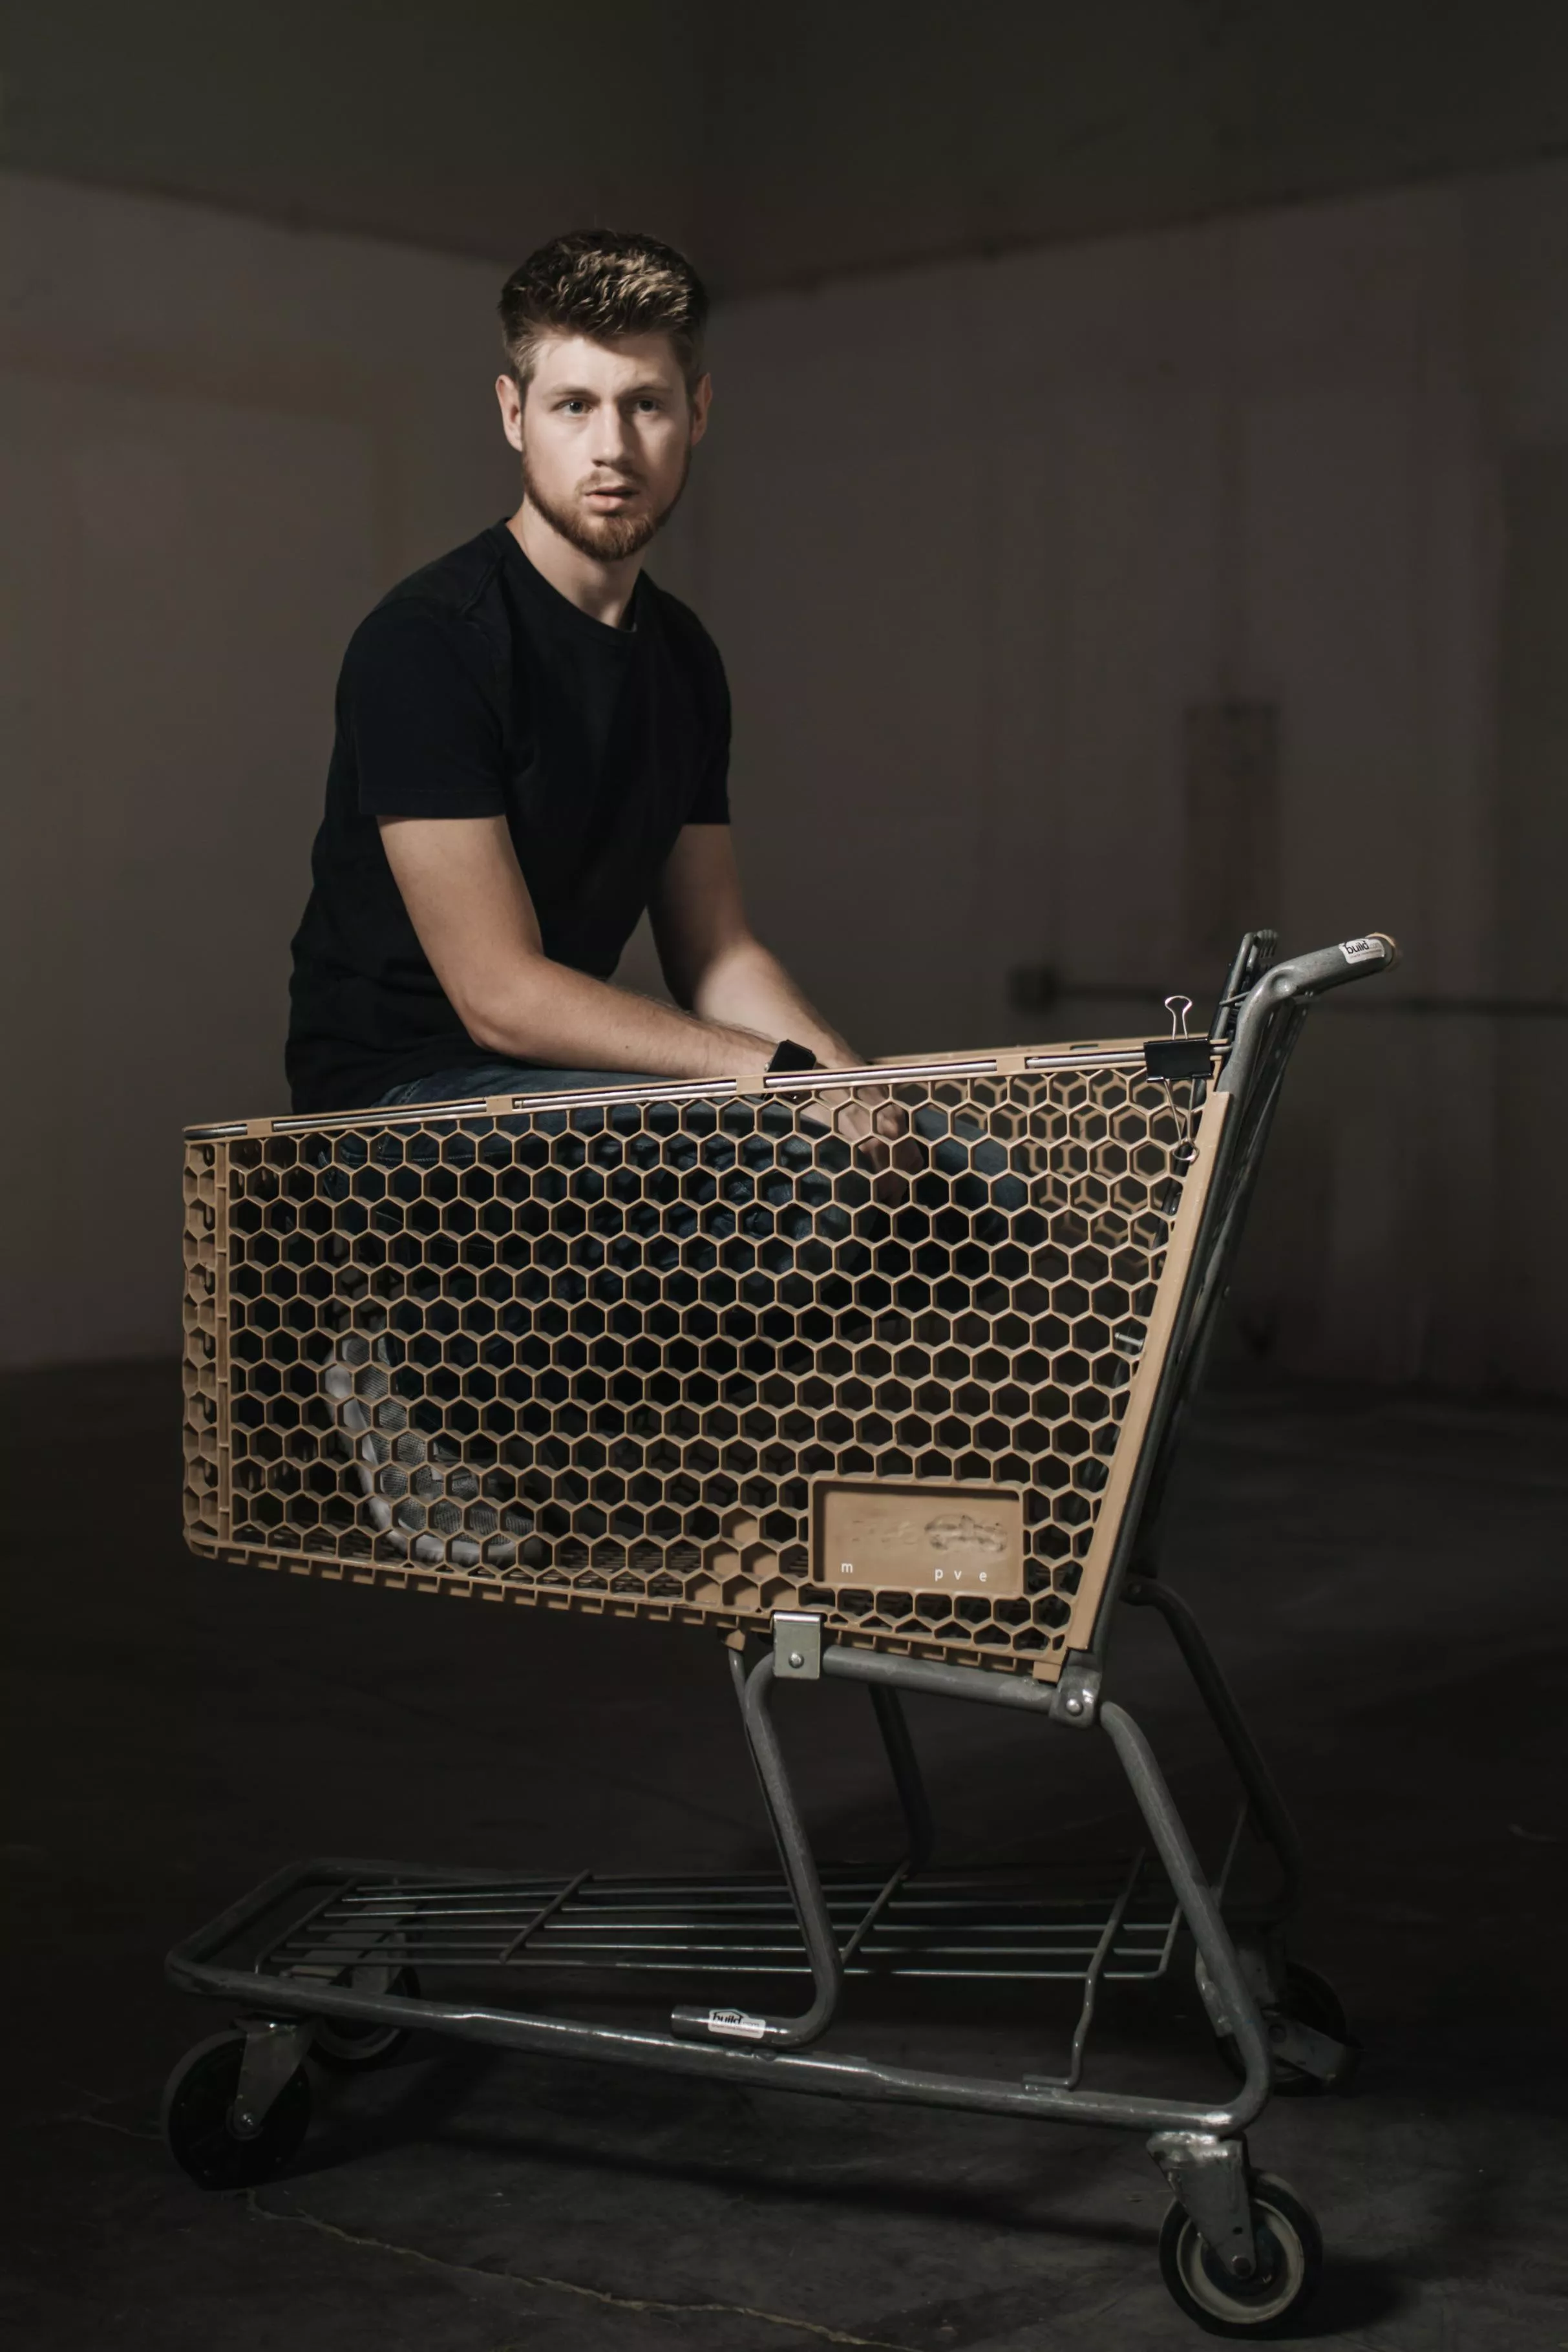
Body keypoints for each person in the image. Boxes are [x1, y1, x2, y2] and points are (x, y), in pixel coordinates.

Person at [285, 228, 856, 1116]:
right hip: (403, 1107)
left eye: (646, 405)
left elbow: (714, 952)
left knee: (958, 1178)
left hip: (562, 1094)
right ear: (514, 414)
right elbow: (500, 997)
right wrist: (779, 1078)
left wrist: (859, 1091)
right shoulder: (429, 641)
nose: (612, 447)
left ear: (697, 411)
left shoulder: (683, 657)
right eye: (573, 406)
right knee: (803, 1165)